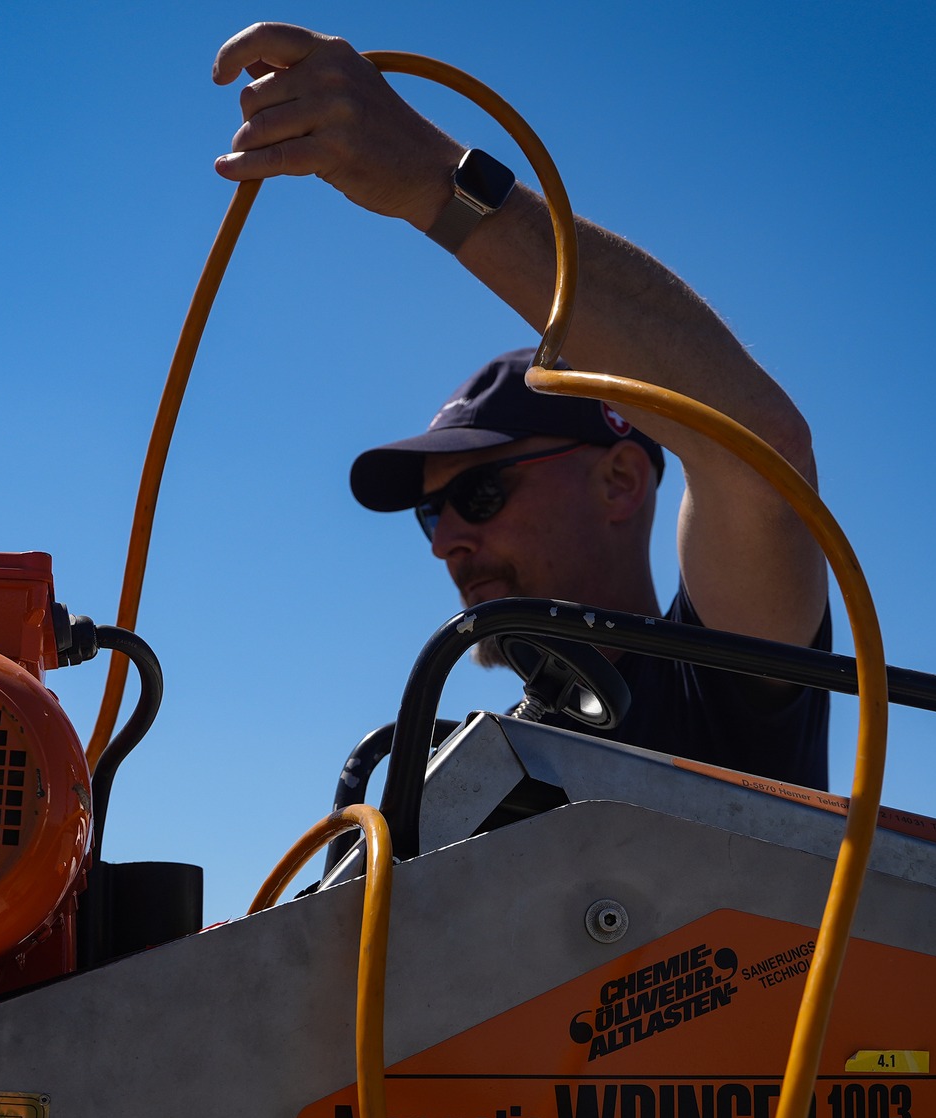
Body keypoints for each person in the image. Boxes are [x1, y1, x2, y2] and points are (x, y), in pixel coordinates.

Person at [213, 24, 832, 789]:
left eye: (479, 494)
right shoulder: (468, 778)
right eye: (432, 515)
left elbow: (761, 453)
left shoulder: (714, 684)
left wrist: (435, 182)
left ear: (619, 482)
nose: (446, 544)